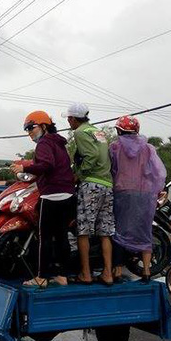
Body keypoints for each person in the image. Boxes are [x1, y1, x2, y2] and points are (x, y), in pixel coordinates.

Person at [10, 110, 75, 288]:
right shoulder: (58, 142)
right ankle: (63, 275)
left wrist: (24, 170)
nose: (29, 132)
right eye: (27, 129)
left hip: (52, 195)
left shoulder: (45, 143)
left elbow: (46, 165)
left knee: (44, 238)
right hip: (67, 194)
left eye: (31, 127)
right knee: (61, 236)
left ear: (44, 126)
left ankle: (42, 277)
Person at [109, 116, 166, 283]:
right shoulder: (148, 149)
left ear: (119, 130)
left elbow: (111, 170)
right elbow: (158, 172)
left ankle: (118, 271)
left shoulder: (114, 147)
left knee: (119, 230)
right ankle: (147, 271)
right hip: (145, 194)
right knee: (145, 229)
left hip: (123, 192)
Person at [64, 102, 114, 286]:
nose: (69, 122)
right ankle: (107, 273)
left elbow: (91, 155)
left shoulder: (80, 132)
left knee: (83, 231)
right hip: (107, 184)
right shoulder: (97, 131)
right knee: (105, 231)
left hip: (91, 184)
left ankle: (86, 274)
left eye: (69, 118)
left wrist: (79, 174)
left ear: (73, 118)